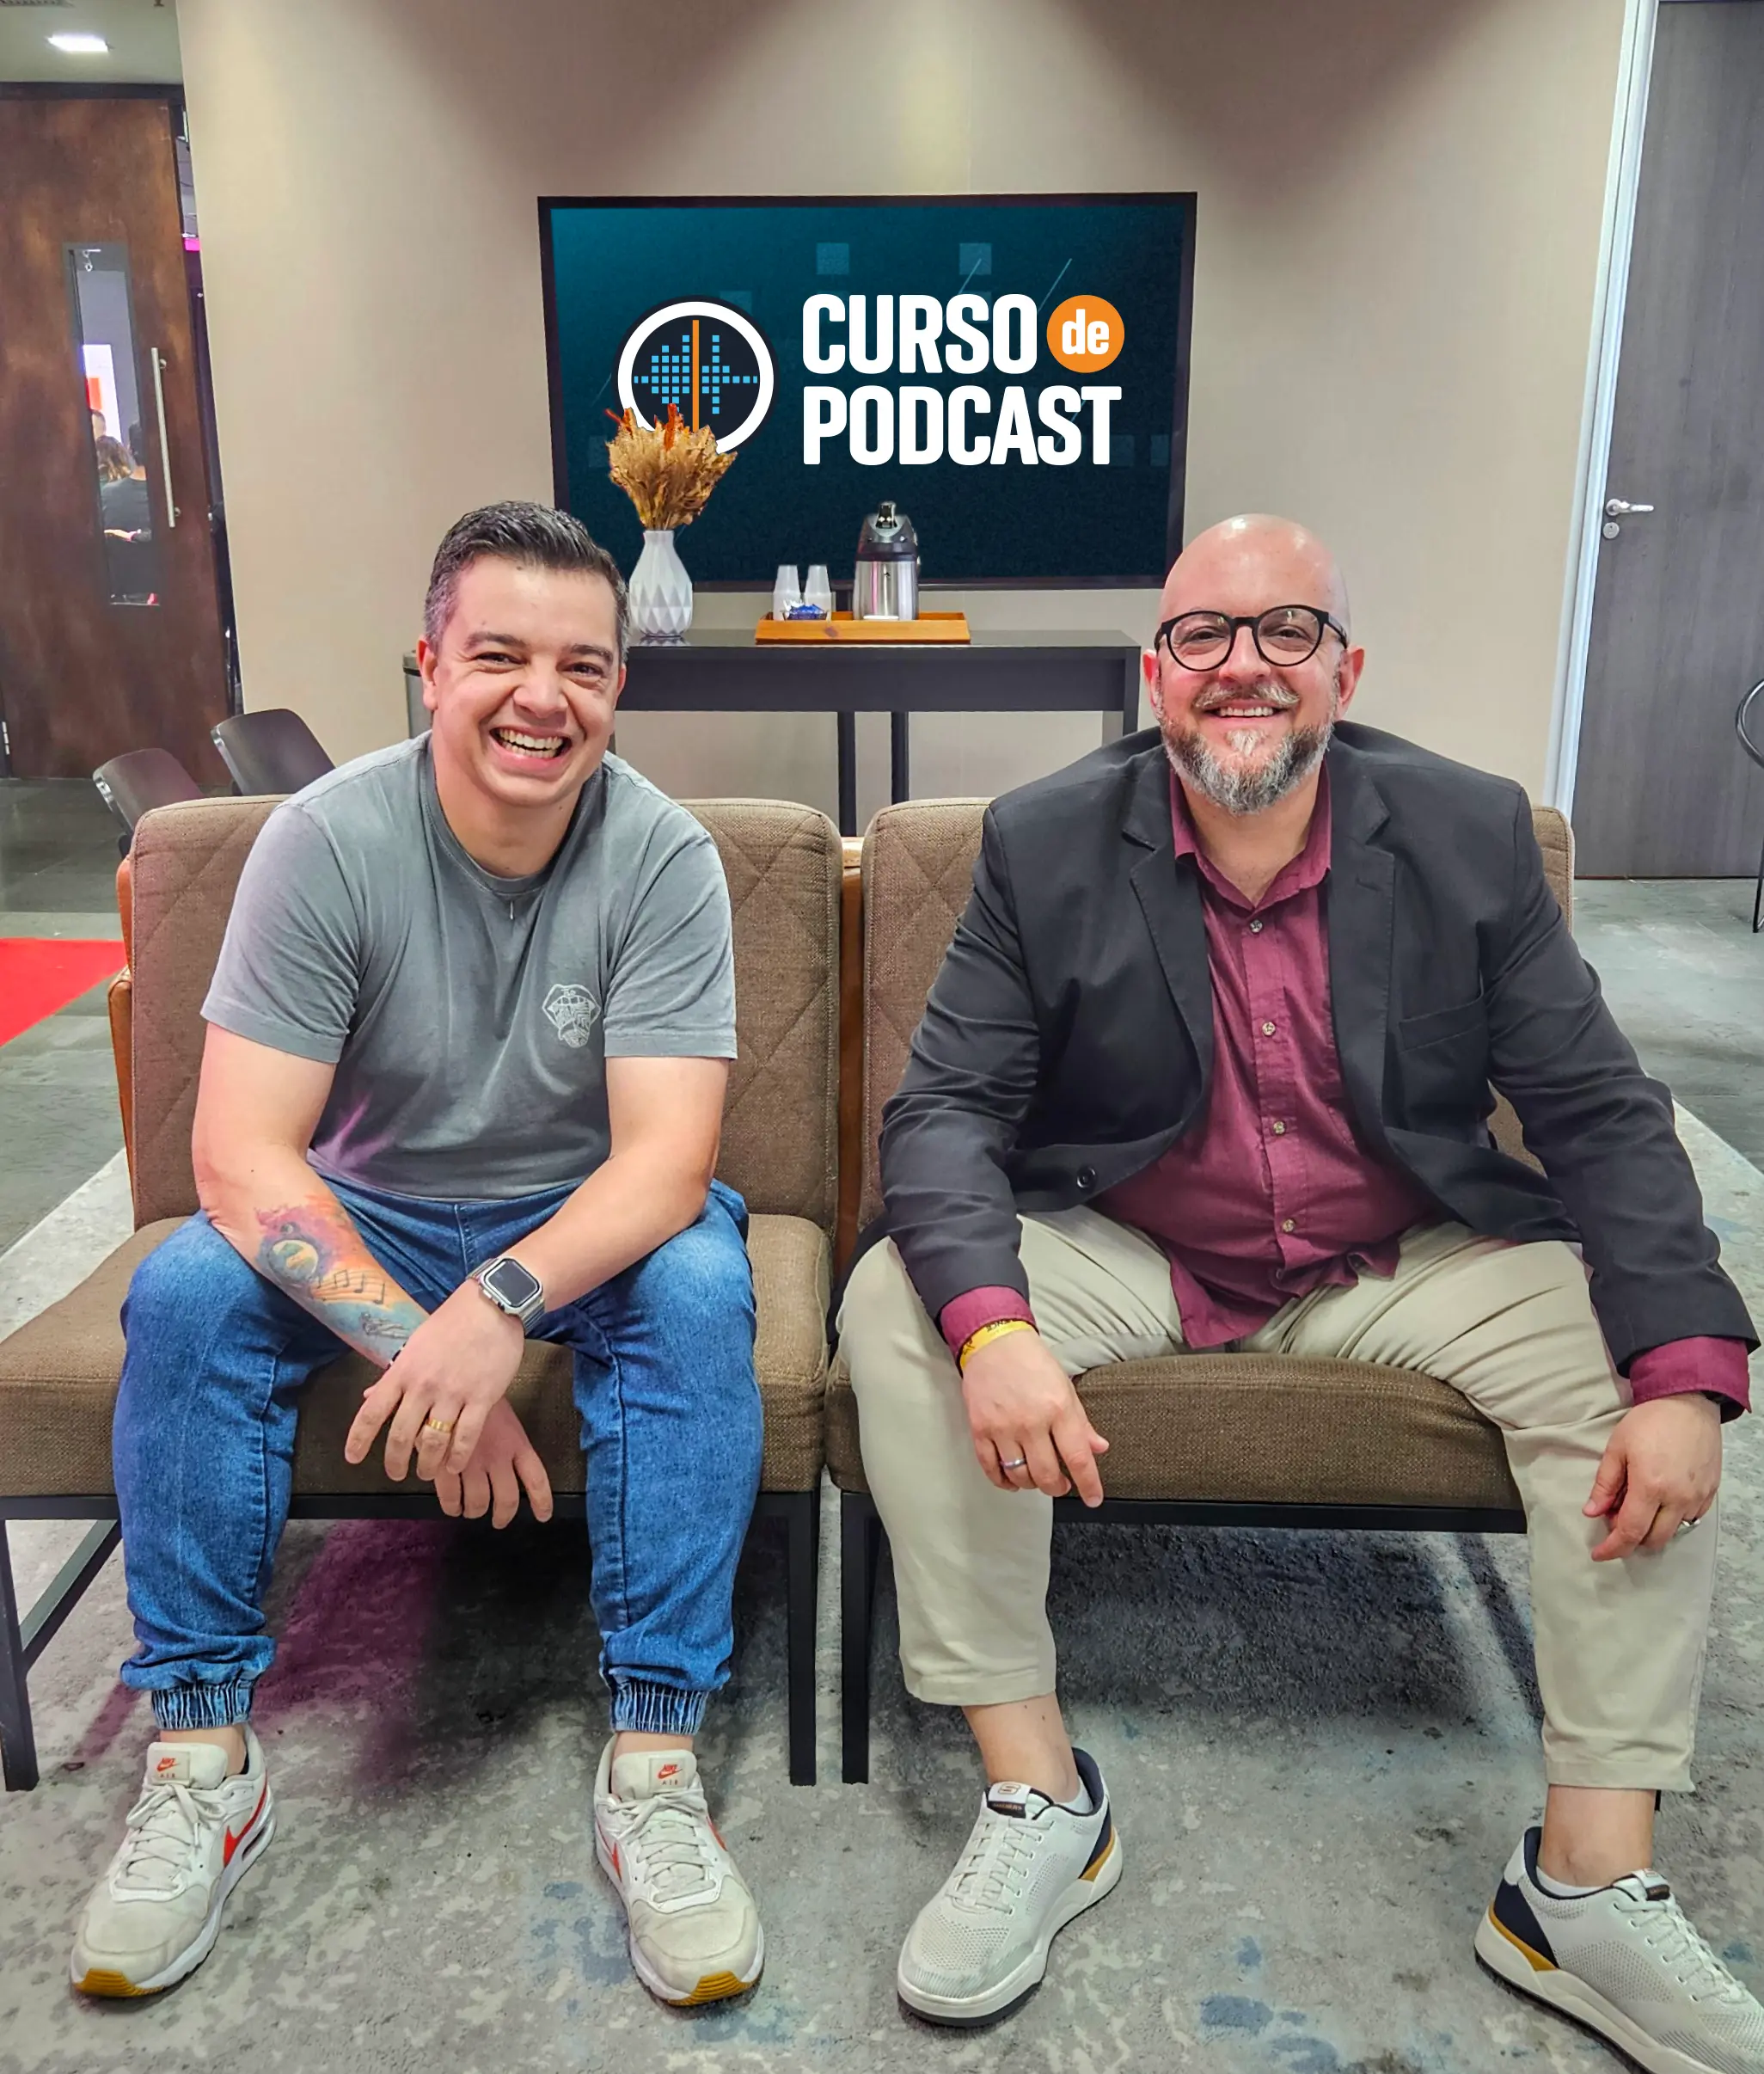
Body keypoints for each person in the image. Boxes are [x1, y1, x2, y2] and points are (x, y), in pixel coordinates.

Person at [839, 513, 1764, 2066]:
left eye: (1288, 633)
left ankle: (1584, 1885)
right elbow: (944, 1114)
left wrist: (1685, 1370)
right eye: (1204, 634)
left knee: (1634, 1364)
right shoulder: (1044, 843)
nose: (1244, 667)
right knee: (903, 1310)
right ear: (1156, 675)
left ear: (1347, 669)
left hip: (1398, 1249)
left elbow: (1602, 1111)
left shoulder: (1468, 833)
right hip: (1135, 1238)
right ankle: (1041, 1797)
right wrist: (994, 1329)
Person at [72, 500, 766, 2010]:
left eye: (584, 666)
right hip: (372, 1204)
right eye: (500, 655)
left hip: (577, 1212)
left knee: (705, 1283)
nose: (543, 698)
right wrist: (423, 1346)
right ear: (431, 665)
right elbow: (241, 1158)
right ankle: (202, 1757)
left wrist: (500, 1305)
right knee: (186, 1289)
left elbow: (665, 1166)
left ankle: (655, 1762)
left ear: (619, 687)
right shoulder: (325, 841)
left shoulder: (662, 855)